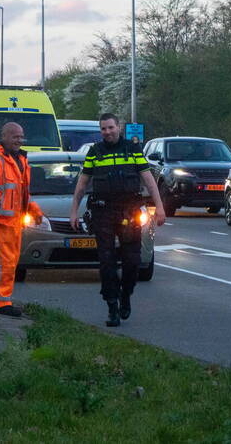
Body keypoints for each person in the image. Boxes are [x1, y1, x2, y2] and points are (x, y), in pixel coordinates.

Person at [69, 113, 166, 327]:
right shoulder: (95, 152)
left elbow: (149, 181)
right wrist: (74, 211)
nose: (107, 132)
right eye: (103, 129)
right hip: (103, 211)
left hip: (130, 211)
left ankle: (126, 294)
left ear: (118, 127)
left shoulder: (132, 150)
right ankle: (112, 305)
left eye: (110, 128)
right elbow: (82, 184)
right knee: (107, 262)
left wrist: (159, 208)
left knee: (132, 261)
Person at [0, 122, 44, 317]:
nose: (19, 140)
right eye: (15, 136)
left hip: (14, 220)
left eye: (21, 136)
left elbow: (22, 193)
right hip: (0, 220)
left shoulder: (21, 160)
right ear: (4, 137)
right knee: (6, 262)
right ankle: (2, 302)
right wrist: (3, 201)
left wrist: (34, 209)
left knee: (8, 261)